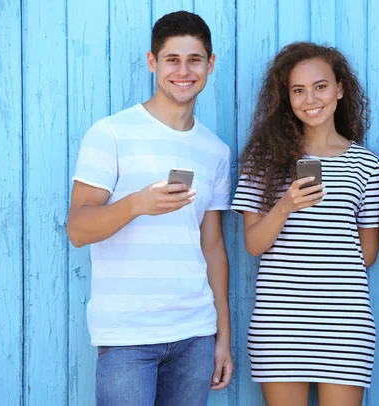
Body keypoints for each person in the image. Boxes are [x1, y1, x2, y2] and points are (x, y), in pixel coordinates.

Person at [66, 11, 233, 406]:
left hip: (195, 334)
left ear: (210, 64)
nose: (183, 71)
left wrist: (221, 334)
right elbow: (78, 228)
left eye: (194, 60)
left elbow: (212, 247)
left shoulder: (215, 150)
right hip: (127, 337)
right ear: (152, 62)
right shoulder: (111, 133)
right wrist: (138, 203)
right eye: (172, 59)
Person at [231, 41, 379, 406]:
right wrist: (286, 205)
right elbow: (253, 244)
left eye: (320, 86)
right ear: (286, 98)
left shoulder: (367, 164)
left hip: (345, 321)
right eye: (298, 90)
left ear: (340, 89)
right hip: (279, 322)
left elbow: (369, 251)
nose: (310, 98)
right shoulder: (263, 159)